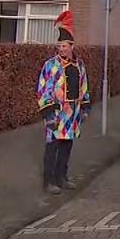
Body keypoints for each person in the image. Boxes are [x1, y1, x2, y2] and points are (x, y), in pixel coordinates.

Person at [36, 11, 91, 195]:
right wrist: (48, 114)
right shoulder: (51, 65)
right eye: (59, 46)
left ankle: (62, 177)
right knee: (52, 148)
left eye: (65, 46)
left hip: (72, 113)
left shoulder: (79, 65)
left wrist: (84, 107)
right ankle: (49, 181)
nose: (62, 49)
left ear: (72, 46)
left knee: (66, 147)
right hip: (56, 113)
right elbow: (43, 89)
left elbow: (84, 86)